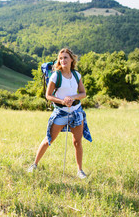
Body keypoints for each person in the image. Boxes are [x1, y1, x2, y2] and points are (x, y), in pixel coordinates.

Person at [27, 48, 92, 179]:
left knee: (77, 142)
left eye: (65, 57)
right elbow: (48, 95)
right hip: (61, 112)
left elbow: (83, 93)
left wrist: (72, 97)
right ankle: (34, 164)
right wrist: (63, 101)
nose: (63, 60)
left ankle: (80, 171)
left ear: (71, 59)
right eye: (60, 58)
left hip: (76, 112)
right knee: (48, 140)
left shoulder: (76, 75)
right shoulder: (56, 75)